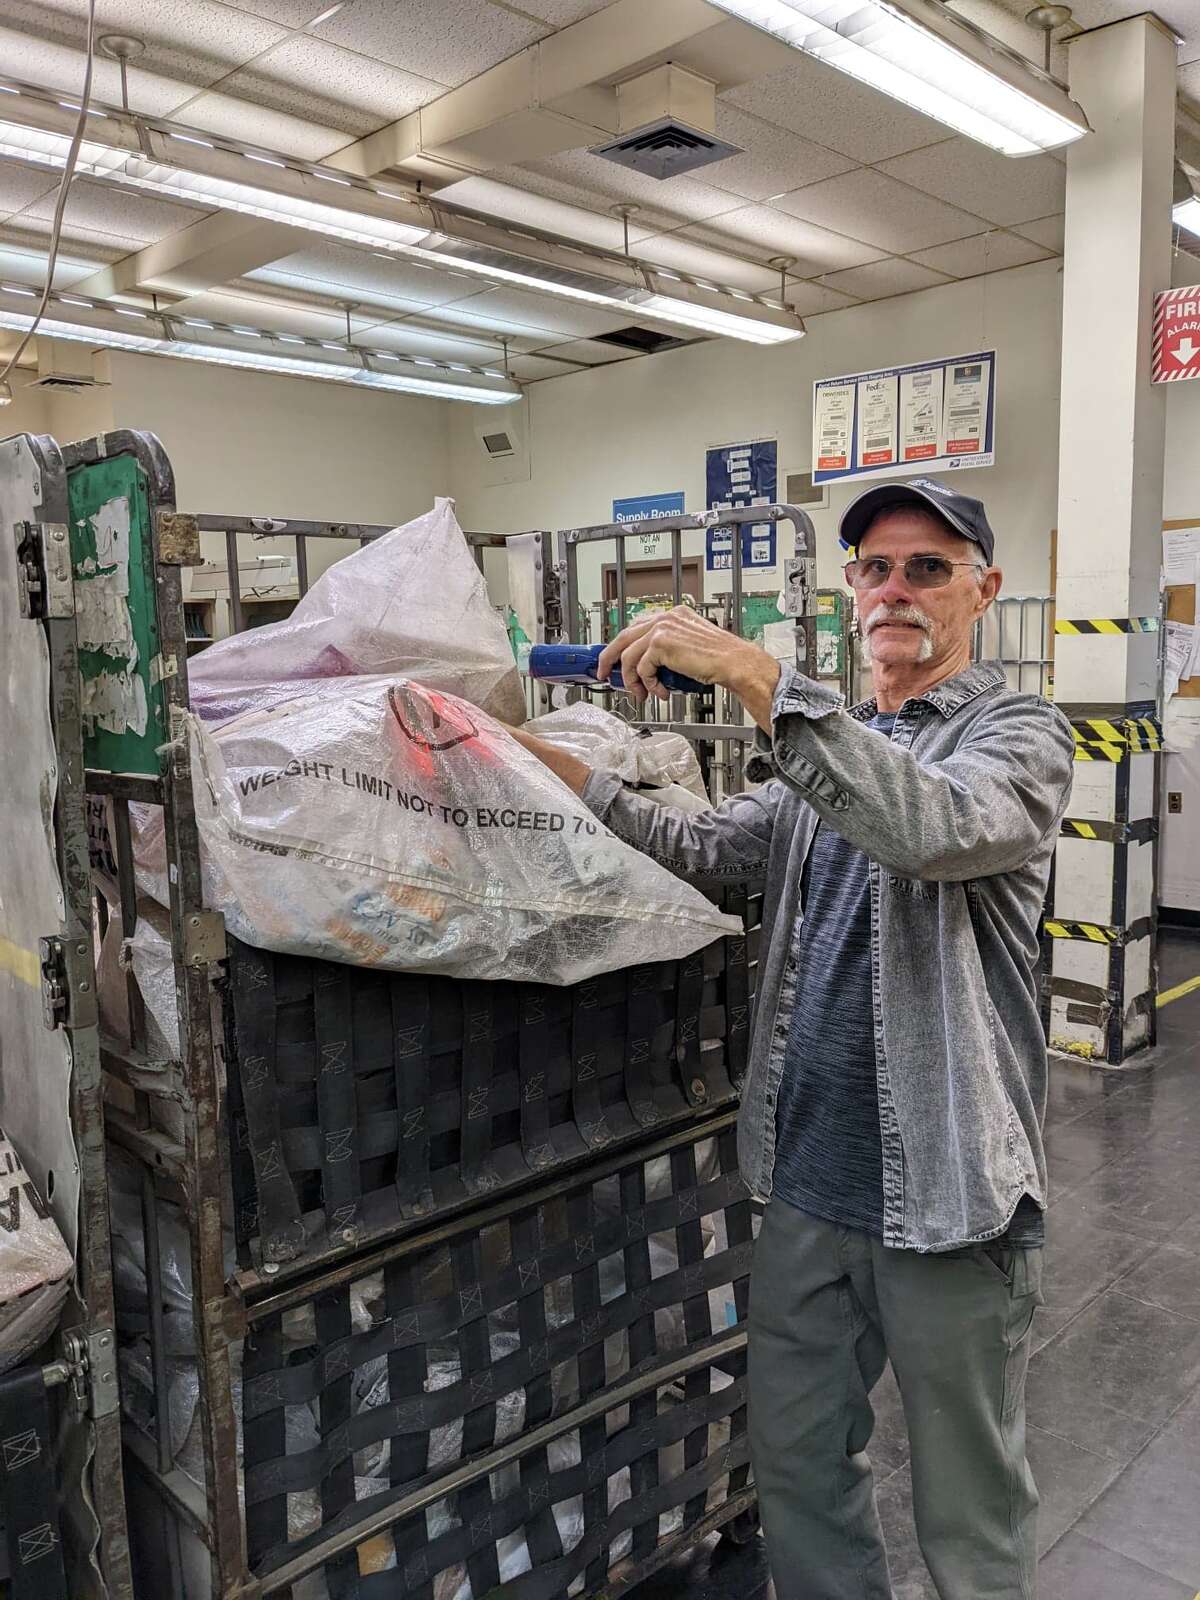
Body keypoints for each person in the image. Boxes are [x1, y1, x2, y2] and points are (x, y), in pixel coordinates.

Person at [509, 478, 1074, 1600]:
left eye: (928, 568)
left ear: (984, 592)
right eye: (876, 569)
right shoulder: (838, 741)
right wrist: (551, 767)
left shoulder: (1019, 735)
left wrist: (759, 676)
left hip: (950, 1197)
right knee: (802, 1471)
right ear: (852, 590)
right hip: (811, 1182)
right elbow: (712, 845)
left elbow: (929, 827)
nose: (895, 590)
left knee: (970, 1512)